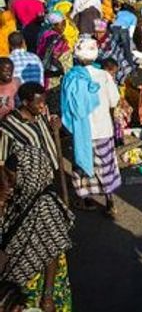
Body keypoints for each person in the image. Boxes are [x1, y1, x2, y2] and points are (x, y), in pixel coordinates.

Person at [0, 145, 74, 312]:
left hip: (39, 281)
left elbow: (51, 253)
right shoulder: (22, 197)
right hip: (18, 276)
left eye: (12, 178)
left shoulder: (45, 205)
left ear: (30, 172)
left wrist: (47, 297)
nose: (11, 184)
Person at [60, 38, 121, 217]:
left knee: (82, 165)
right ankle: (110, 202)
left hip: (81, 133)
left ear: (77, 58)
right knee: (106, 166)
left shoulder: (70, 77)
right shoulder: (104, 76)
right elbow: (113, 101)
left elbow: (67, 107)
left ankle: (86, 199)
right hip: (103, 130)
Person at [0, 82, 59, 171]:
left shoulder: (39, 114)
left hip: (53, 171)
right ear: (25, 102)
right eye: (38, 102)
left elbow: (44, 134)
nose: (42, 105)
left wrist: (54, 126)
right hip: (31, 179)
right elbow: (1, 159)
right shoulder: (9, 126)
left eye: (44, 101)